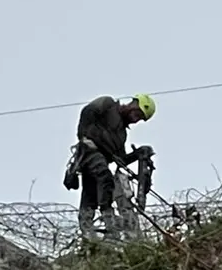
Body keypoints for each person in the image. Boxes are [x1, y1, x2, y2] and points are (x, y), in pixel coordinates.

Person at [65, 93, 156, 240]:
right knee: (105, 177)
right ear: (133, 103)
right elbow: (87, 112)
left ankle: (87, 229)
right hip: (89, 150)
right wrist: (86, 137)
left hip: (101, 159)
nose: (135, 119)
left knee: (91, 192)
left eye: (139, 119)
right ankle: (108, 216)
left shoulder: (121, 135)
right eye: (137, 113)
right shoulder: (107, 105)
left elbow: (120, 160)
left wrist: (138, 153)